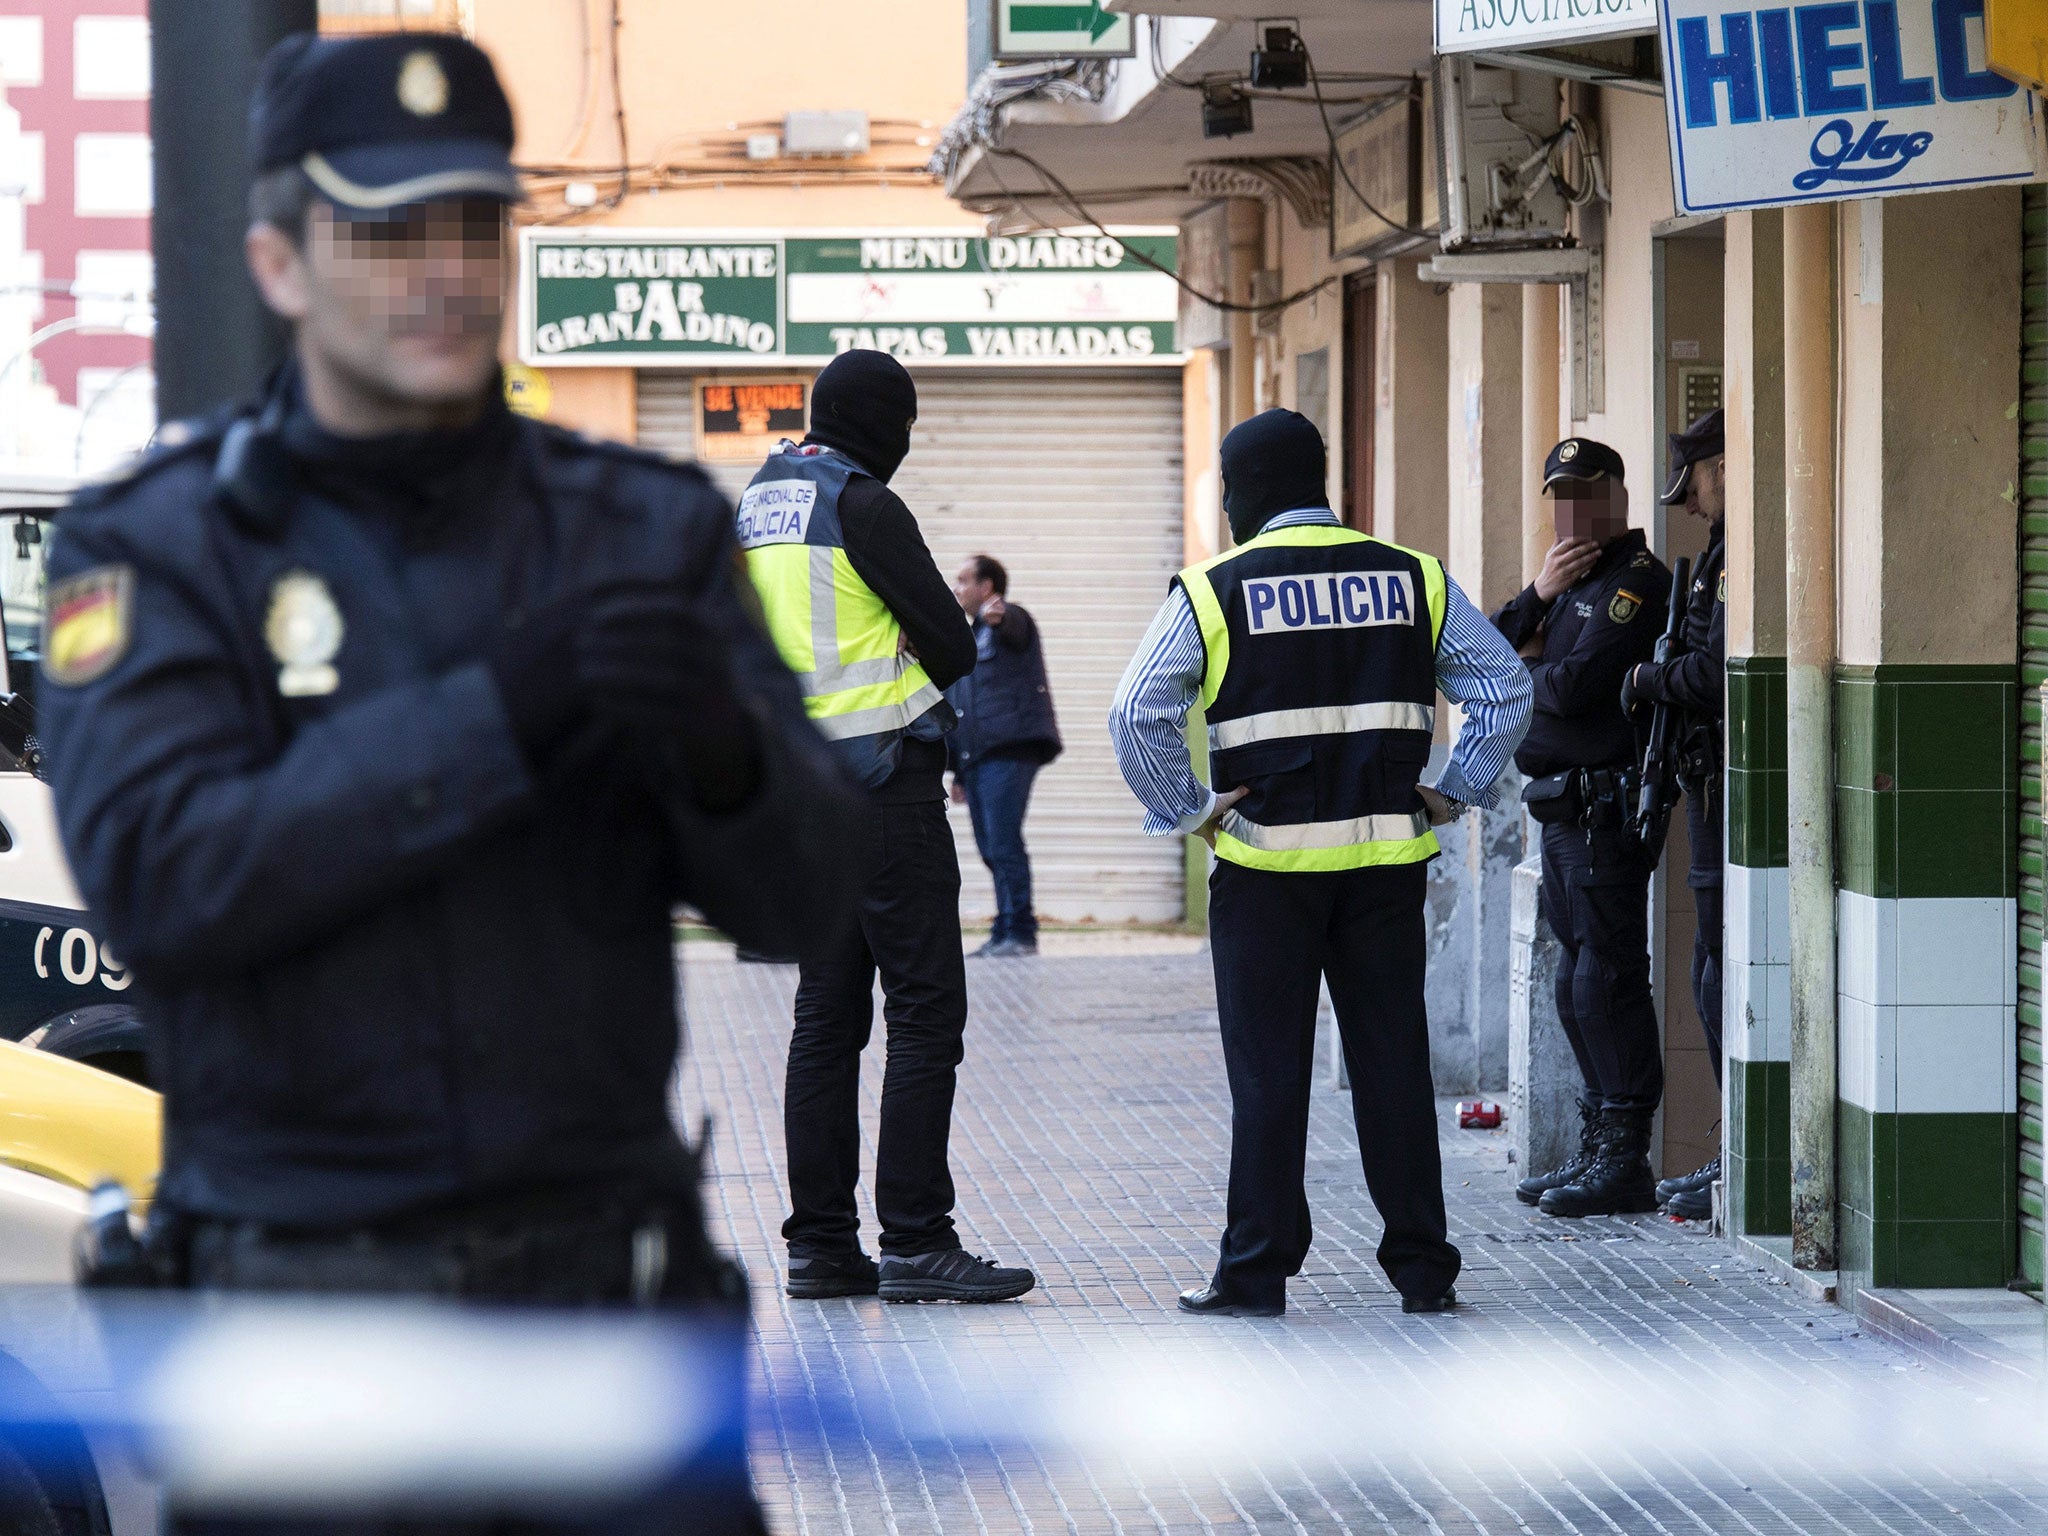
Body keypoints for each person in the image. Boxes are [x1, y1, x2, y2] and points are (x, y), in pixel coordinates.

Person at [38, 33, 862, 1533]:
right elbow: (174, 881)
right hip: (300, 1334)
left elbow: (809, 903)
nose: (446, 273)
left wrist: (727, 756)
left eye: (476, 226)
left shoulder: (642, 528)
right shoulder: (157, 548)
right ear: (279, 261)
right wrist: (508, 708)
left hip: (606, 1321)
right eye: (387, 228)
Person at [1109, 409, 1530, 1318]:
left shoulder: (1215, 588)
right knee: (1394, 1069)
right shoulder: (1411, 576)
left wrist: (1186, 811)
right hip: (1385, 870)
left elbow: (1135, 713)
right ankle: (1424, 1272)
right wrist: (1457, 787)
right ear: (1320, 481)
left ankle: (1256, 1273)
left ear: (1244, 491)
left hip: (1265, 875)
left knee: (1269, 1077)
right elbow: (1503, 685)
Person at [737, 351, 1037, 1305]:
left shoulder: (761, 499)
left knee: (825, 1021)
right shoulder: (864, 504)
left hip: (800, 798)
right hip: (885, 788)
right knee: (921, 1012)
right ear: (884, 424)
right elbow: (952, 643)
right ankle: (915, 1238)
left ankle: (821, 1247)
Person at [1490, 438, 1671, 1219]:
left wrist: (1524, 673)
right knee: (1574, 982)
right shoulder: (1569, 583)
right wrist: (1534, 596)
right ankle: (1599, 1139)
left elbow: (1574, 686)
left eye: (1585, 492)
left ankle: (1625, 1158)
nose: (1570, 511)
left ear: (1617, 496)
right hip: (1560, 806)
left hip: (1604, 806)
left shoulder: (1635, 584)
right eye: (1558, 496)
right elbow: (1481, 653)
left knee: (1608, 978)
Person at [1626, 410, 1727, 1221]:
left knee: (1719, 972)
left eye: (1693, 483)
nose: (1691, 504)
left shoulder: (1734, 557)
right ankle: (1731, 1151)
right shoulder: (1720, 553)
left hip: (1723, 789)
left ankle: (1734, 1156)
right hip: (1707, 783)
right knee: (1708, 969)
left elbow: (1716, 674)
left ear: (1721, 469)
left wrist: (1649, 681)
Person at [947, 553, 1062, 958]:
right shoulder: (967, 638)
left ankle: (1021, 931)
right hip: (976, 757)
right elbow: (960, 706)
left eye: (964, 580)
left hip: (1010, 751)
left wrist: (1001, 618)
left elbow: (1013, 628)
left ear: (987, 587)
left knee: (1003, 840)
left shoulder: (1011, 620)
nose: (956, 587)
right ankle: (1004, 928)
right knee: (988, 845)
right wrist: (957, 770)